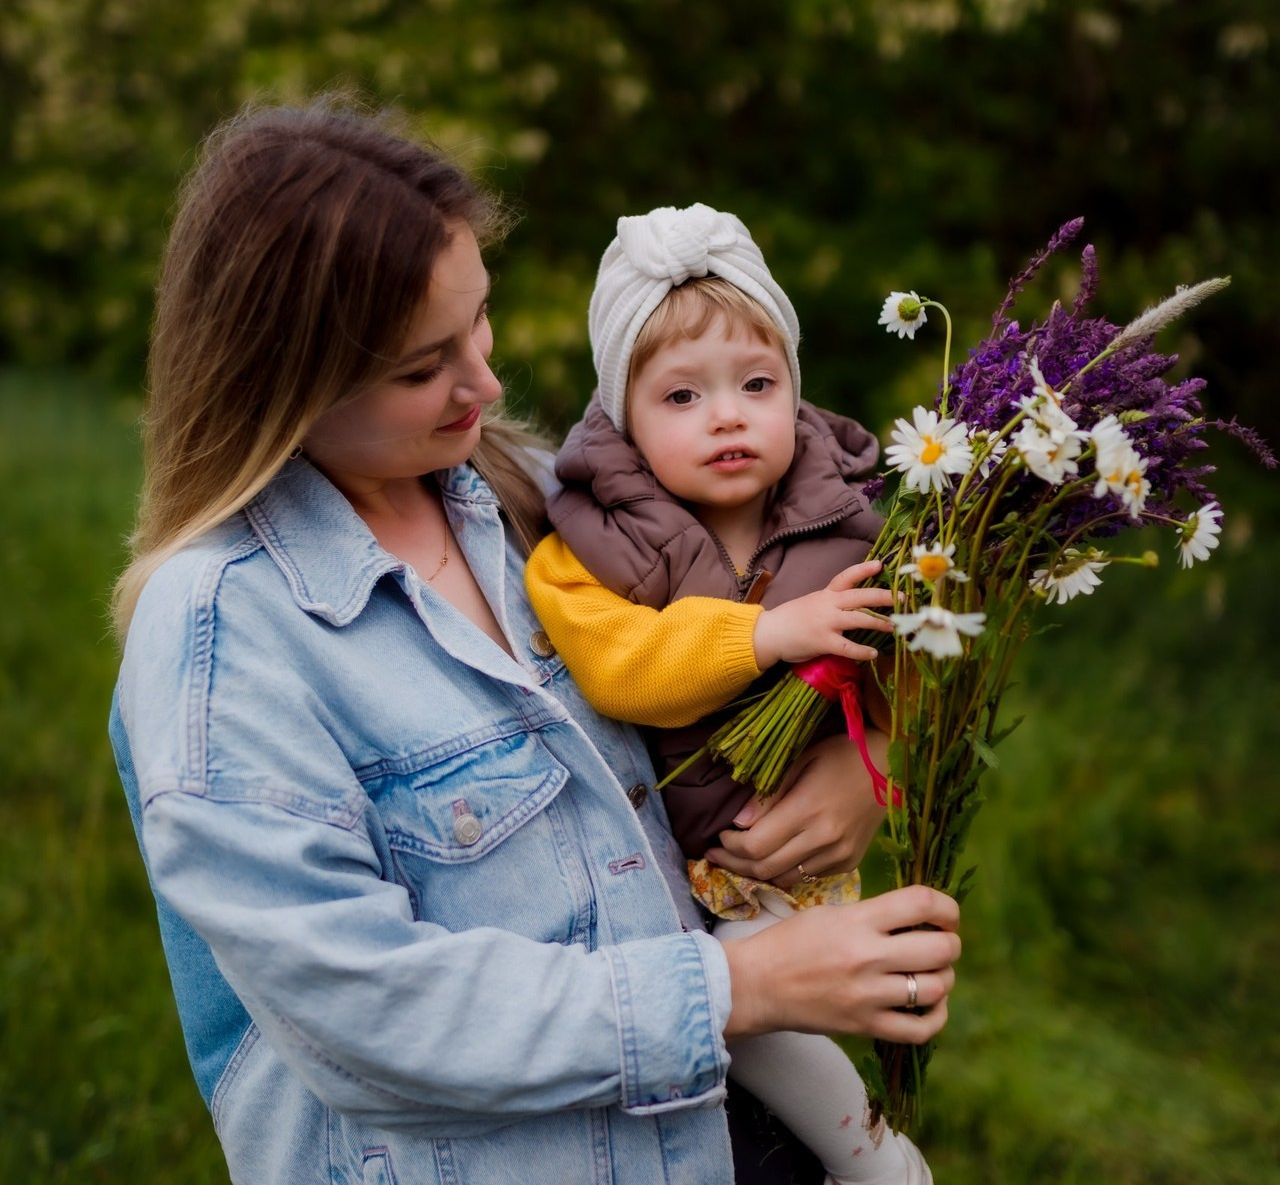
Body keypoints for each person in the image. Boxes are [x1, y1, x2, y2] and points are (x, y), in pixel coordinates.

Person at [108, 99, 961, 1185]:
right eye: (423, 367)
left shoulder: (534, 503)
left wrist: (862, 764)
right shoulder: (225, 631)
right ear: (283, 382)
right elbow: (366, 1014)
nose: (487, 382)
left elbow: (752, 668)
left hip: (715, 1137)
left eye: (480, 322)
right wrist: (739, 989)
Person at [524, 204, 929, 1183]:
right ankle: (877, 1160)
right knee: (747, 1013)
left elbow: (912, 672)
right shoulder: (586, 545)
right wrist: (763, 634)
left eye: (757, 383)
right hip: (676, 883)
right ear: (621, 416)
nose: (727, 415)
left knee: (868, 981)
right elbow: (621, 666)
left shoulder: (850, 520)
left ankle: (865, 1136)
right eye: (681, 394)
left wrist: (876, 761)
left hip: (804, 855)